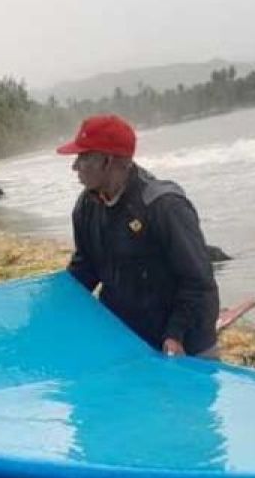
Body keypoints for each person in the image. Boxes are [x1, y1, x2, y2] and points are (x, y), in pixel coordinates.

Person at [57, 114, 220, 357]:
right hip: (127, 345)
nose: (75, 167)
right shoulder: (86, 207)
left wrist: (176, 335)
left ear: (107, 161)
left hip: (184, 346)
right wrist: (51, 302)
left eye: (83, 157)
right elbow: (85, 270)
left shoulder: (163, 205)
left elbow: (199, 282)